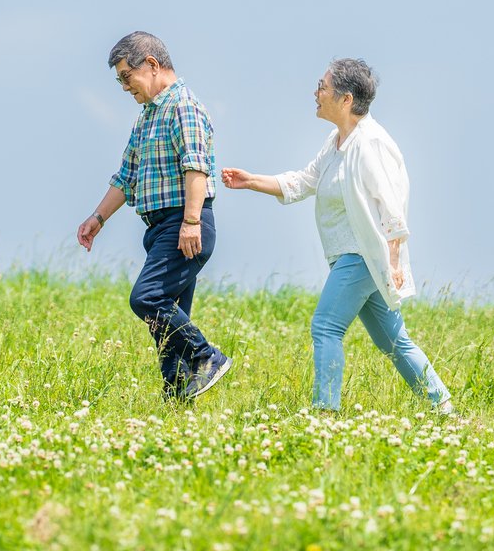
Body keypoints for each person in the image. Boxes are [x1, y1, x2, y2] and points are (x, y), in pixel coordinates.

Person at [222, 59, 453, 414]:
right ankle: (443, 407)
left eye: (322, 86)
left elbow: (392, 205)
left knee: (326, 325)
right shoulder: (337, 141)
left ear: (345, 99)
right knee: (393, 340)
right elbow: (304, 181)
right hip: (353, 254)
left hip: (362, 253)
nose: (316, 93)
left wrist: (392, 260)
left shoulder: (371, 143)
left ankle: (324, 411)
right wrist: (251, 180)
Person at [77, 31, 233, 400]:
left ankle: (207, 356)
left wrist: (191, 222)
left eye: (125, 76)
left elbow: (196, 167)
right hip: (160, 226)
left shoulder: (184, 106)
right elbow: (127, 176)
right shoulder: (147, 116)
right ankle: (176, 400)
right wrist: (97, 219)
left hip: (184, 222)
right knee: (167, 324)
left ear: (150, 64)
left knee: (147, 299)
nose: (123, 86)